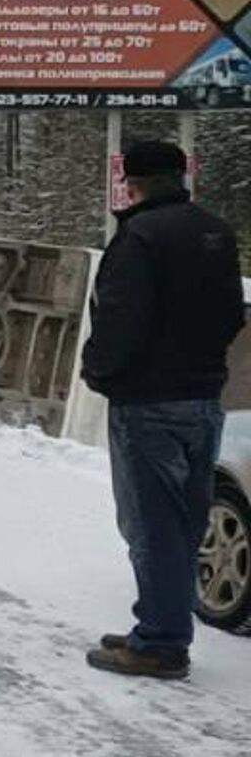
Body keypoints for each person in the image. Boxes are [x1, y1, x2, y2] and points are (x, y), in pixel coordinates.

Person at [81, 139, 243, 680]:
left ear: (133, 181)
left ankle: (160, 642)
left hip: (147, 401)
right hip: (203, 398)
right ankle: (157, 622)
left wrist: (99, 373)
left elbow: (118, 323)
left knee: (150, 524)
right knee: (185, 519)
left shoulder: (139, 238)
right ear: (182, 175)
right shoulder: (217, 233)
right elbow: (231, 315)